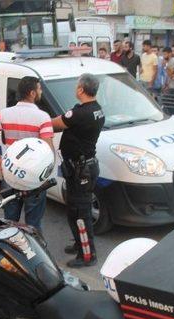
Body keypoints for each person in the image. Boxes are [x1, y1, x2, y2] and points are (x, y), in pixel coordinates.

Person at [0, 77, 54, 232]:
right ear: (32, 93)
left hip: (10, 174)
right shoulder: (43, 117)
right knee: (33, 224)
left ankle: (10, 251)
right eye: (39, 89)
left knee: (9, 222)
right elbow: (48, 149)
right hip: (33, 179)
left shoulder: (4, 114)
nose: (40, 92)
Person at [50, 74, 105, 268]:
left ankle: (87, 255)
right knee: (74, 208)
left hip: (81, 170)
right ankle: (79, 243)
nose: (75, 89)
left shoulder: (80, 113)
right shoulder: (97, 109)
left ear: (81, 89)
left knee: (81, 212)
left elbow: (55, 124)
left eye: (76, 86)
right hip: (82, 168)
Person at [162, 47, 174, 115]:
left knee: (169, 103)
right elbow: (166, 76)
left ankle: (173, 116)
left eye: (165, 54)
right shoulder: (167, 62)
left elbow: (171, 75)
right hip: (168, 86)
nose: (164, 56)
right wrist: (165, 85)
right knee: (167, 103)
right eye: (163, 54)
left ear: (170, 54)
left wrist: (166, 66)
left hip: (173, 86)